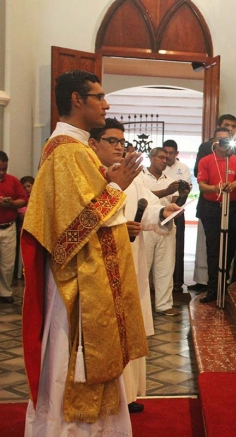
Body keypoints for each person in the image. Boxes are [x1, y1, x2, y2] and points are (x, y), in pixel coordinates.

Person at [21, 70, 148, 434]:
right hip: (77, 287)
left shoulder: (74, 149)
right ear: (77, 100)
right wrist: (116, 188)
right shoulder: (68, 153)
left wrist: (110, 185)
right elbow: (69, 232)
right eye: (99, 96)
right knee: (69, 366)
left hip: (87, 279)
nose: (106, 104)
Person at [88, 117, 179, 414]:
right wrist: (119, 228)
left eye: (121, 141)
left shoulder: (132, 175)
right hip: (103, 265)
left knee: (132, 325)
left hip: (132, 258)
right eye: (112, 141)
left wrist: (162, 209)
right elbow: (84, 221)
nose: (119, 147)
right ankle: (108, 396)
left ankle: (128, 395)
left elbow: (146, 205)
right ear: (93, 143)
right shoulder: (89, 174)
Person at [196, 127, 236, 303]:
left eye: (227, 139)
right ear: (214, 142)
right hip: (212, 208)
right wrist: (215, 188)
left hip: (234, 207)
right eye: (220, 140)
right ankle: (213, 289)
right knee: (214, 249)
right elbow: (202, 185)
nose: (223, 143)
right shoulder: (206, 160)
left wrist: (233, 184)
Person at [191, 114, 236, 292]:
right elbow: (198, 171)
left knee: (227, 242)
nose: (230, 129)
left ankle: (224, 281)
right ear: (218, 128)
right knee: (208, 244)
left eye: (233, 126)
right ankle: (205, 281)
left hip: (230, 205)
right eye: (227, 125)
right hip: (209, 203)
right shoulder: (206, 147)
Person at [140, 147, 184, 316]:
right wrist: (166, 192)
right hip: (147, 226)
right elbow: (142, 197)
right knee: (143, 266)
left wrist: (182, 196)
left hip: (167, 225)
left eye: (166, 158)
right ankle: (141, 305)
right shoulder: (140, 177)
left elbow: (173, 200)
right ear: (151, 158)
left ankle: (164, 304)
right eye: (160, 157)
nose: (164, 161)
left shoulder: (170, 180)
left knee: (165, 267)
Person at [163, 139, 192, 293]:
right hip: (160, 211)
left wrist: (176, 200)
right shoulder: (158, 167)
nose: (168, 156)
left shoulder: (183, 168)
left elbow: (185, 190)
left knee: (178, 246)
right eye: (165, 152)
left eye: (171, 153)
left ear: (177, 153)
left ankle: (177, 282)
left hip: (177, 210)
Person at [0, 152, 28, 304]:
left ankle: (5, 292)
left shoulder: (13, 180)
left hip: (8, 226)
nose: (2, 172)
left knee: (7, 264)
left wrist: (11, 204)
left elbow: (23, 199)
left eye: (4, 169)